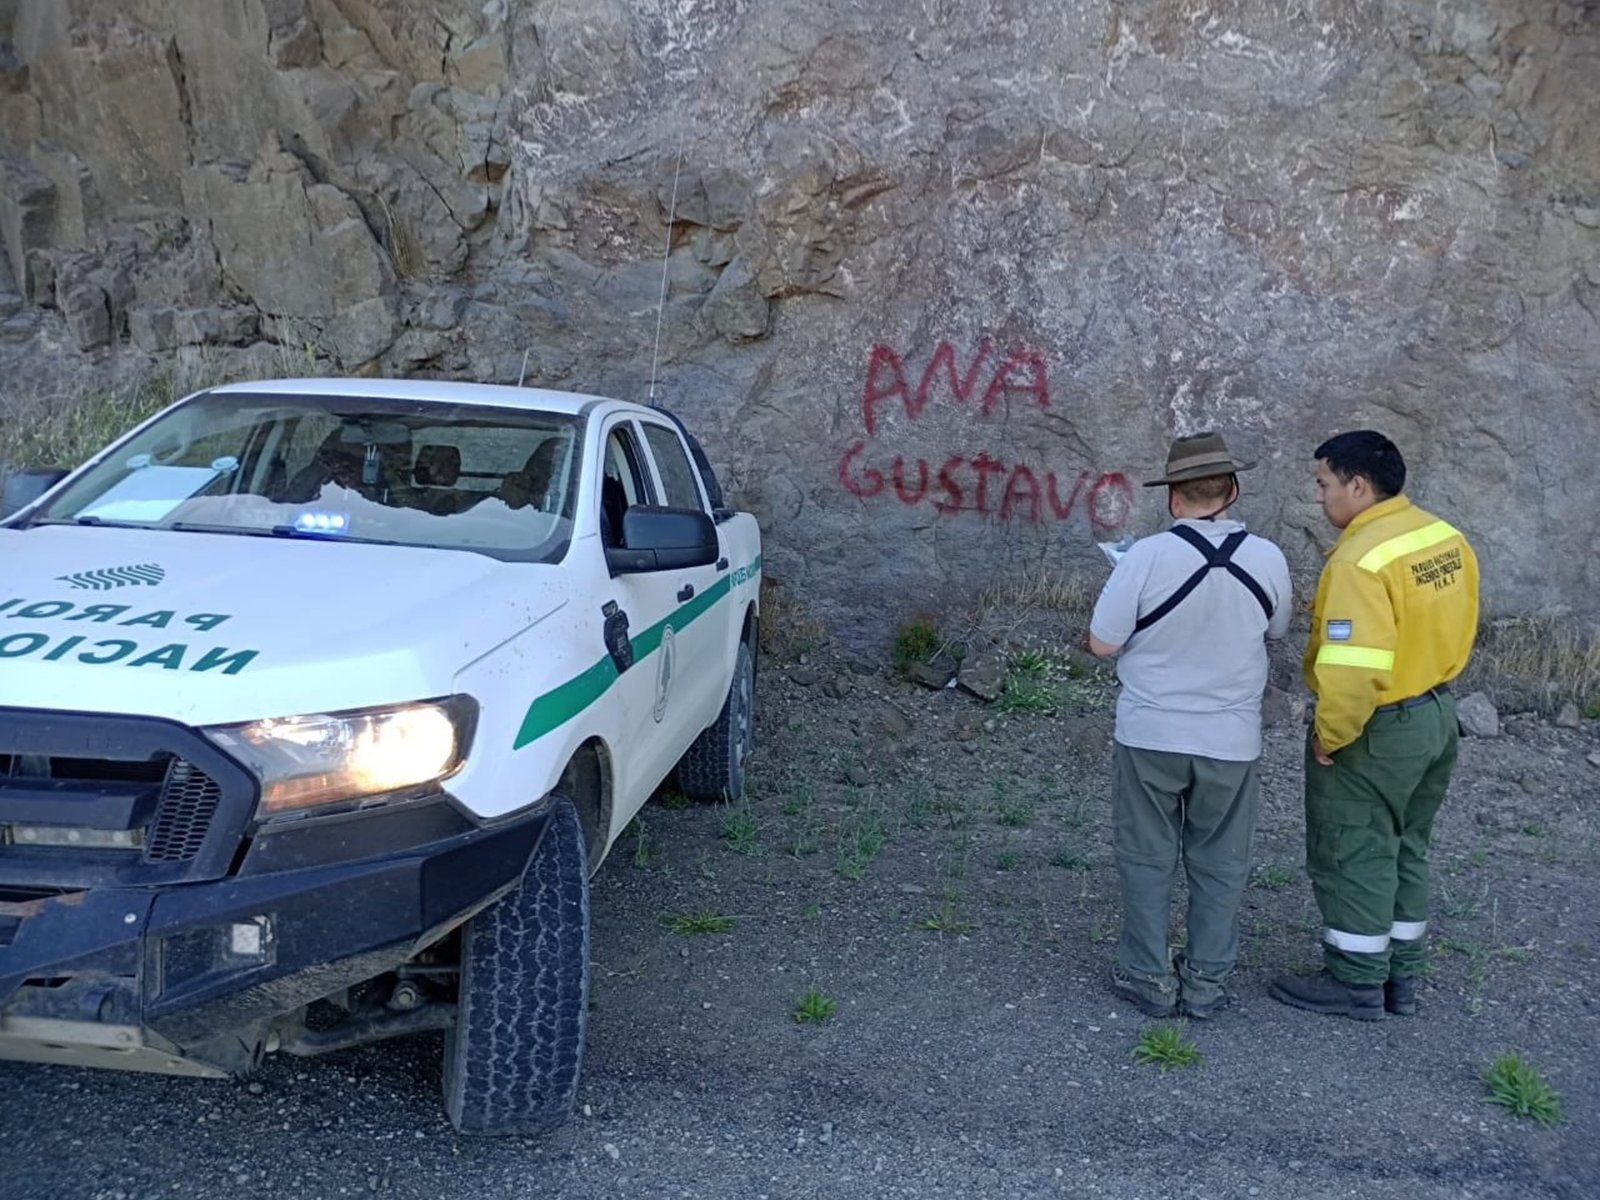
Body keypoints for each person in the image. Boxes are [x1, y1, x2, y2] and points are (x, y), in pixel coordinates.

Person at [1271, 431, 1479, 1020]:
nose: (1319, 497)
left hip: (1378, 728)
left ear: (1358, 486)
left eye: (1324, 483)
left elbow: (1352, 670)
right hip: (1437, 714)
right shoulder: (1442, 537)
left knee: (1353, 849)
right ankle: (1400, 977)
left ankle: (1356, 980)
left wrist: (1330, 736)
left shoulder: (1360, 561)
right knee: (1407, 846)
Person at [1088, 432, 1292, 1019]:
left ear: (1174, 498)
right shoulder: (1269, 558)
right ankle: (1206, 982)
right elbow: (1276, 632)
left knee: (1147, 856)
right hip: (1230, 739)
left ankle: (1147, 976)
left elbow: (1102, 644)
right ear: (1232, 490)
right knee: (1221, 860)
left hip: (1151, 733)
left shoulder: (1147, 556)